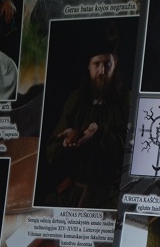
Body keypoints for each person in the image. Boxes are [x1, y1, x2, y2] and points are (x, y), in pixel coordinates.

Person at [39, 41, 129, 209]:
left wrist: (100, 134)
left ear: (115, 63)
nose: (102, 71)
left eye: (107, 64)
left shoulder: (126, 102)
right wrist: (67, 141)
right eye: (97, 64)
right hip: (74, 192)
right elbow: (52, 149)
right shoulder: (77, 100)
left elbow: (132, 151)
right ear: (89, 66)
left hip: (111, 196)